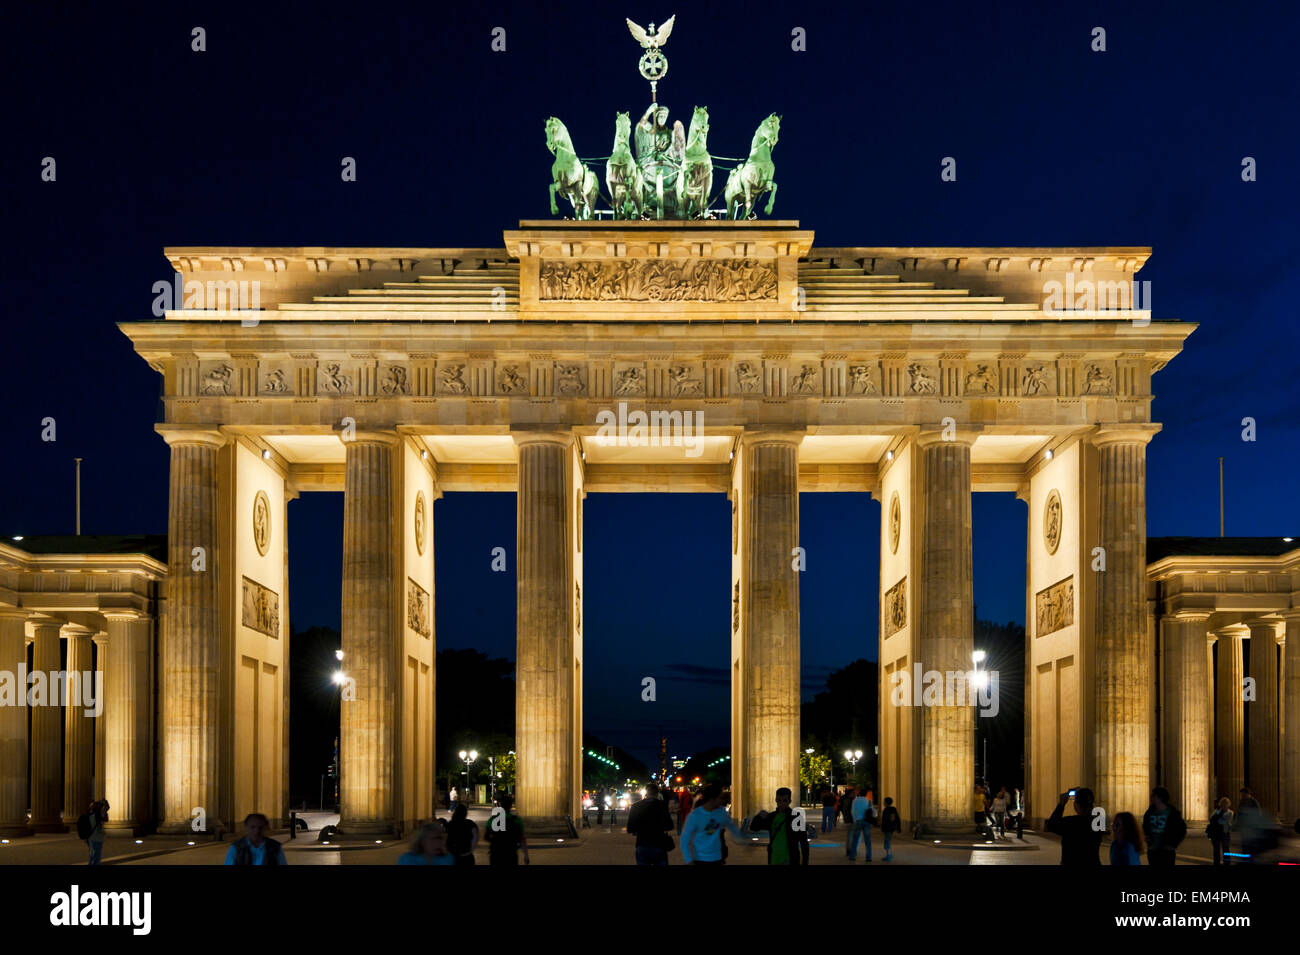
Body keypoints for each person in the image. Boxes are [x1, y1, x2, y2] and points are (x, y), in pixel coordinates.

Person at [680, 782, 745, 865]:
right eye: (720, 798)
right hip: (700, 859)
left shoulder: (721, 812)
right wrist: (688, 860)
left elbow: (732, 827)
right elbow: (684, 839)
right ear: (712, 799)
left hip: (717, 857)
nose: (722, 800)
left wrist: (744, 839)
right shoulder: (695, 815)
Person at [749, 787, 810, 865]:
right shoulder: (772, 817)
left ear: (789, 801)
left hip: (790, 859)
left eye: (784, 800)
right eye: (779, 800)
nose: (781, 803)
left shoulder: (796, 818)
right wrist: (758, 817)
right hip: (774, 859)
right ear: (776, 800)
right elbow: (754, 828)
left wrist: (805, 862)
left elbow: (804, 842)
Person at [1045, 788, 1102, 865]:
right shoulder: (1098, 822)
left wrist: (1061, 804)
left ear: (1077, 804)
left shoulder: (1070, 822)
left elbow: (1051, 825)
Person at [627, 782, 675, 866]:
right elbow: (670, 826)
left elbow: (630, 829)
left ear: (646, 793)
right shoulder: (662, 805)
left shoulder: (636, 806)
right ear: (657, 793)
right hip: (659, 844)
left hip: (642, 844)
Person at [1141, 787, 1187, 866]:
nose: (1150, 797)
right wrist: (1147, 837)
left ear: (1160, 798)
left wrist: (1173, 844)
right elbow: (1145, 826)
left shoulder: (1173, 813)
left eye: (1153, 795)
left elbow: (1182, 830)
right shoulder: (1149, 812)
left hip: (1167, 851)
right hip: (1153, 849)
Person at [486, 794, 529, 865]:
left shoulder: (493, 819)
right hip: (511, 854)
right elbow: (522, 840)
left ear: (501, 805)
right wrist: (526, 856)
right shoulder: (517, 820)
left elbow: (486, 836)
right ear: (511, 806)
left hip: (496, 854)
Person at [847, 786, 874, 861]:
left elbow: (852, 811)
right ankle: (869, 857)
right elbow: (873, 812)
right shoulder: (868, 801)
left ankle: (852, 856)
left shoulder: (855, 801)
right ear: (866, 794)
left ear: (859, 793)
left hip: (858, 821)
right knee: (867, 840)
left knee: (855, 839)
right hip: (867, 822)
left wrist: (855, 820)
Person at [1206, 797, 1233, 865]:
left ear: (1228, 805)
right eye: (1223, 804)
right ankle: (1216, 862)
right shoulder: (1217, 811)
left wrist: (1217, 818)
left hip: (1224, 832)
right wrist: (1218, 819)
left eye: (1225, 804)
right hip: (1216, 833)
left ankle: (1227, 862)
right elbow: (1213, 820)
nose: (1224, 805)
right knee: (1216, 850)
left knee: (1225, 849)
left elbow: (1221, 822)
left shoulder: (1230, 813)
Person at [84, 799, 109, 865]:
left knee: (94, 855)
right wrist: (105, 807)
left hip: (94, 838)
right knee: (96, 856)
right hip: (95, 838)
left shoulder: (91, 815)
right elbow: (106, 818)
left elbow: (106, 818)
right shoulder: (96, 816)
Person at [879, 796, 901, 862]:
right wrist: (897, 827)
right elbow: (897, 818)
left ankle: (888, 855)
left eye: (884, 802)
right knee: (888, 840)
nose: (883, 803)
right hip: (890, 827)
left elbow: (891, 818)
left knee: (887, 841)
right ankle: (889, 854)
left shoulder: (887, 810)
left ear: (886, 802)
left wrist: (884, 828)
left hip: (888, 828)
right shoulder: (892, 809)